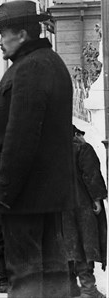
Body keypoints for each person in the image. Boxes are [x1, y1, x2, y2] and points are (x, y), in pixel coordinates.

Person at [0, 0, 75, 297]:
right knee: (52, 276)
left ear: (22, 34)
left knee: (25, 278)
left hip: (24, 199)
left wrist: (4, 193)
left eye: (3, 34)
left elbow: (20, 138)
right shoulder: (50, 62)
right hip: (45, 196)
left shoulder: (29, 68)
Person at [63, 126, 107, 298]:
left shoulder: (55, 151)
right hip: (82, 206)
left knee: (68, 246)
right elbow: (91, 174)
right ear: (76, 134)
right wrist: (97, 199)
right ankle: (88, 288)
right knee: (85, 245)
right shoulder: (83, 148)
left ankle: (69, 287)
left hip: (61, 207)